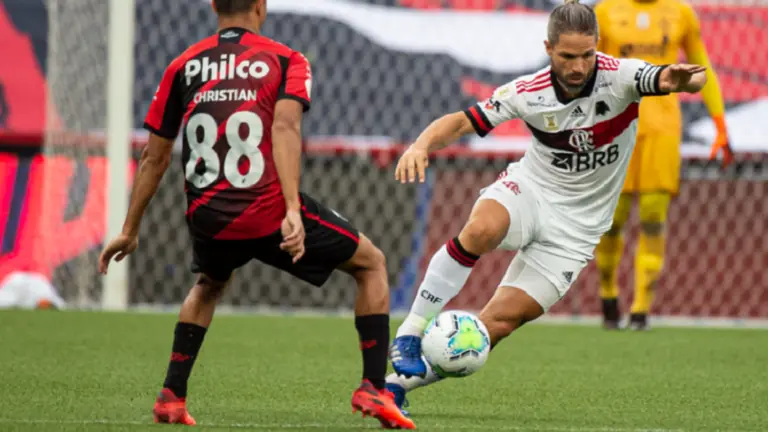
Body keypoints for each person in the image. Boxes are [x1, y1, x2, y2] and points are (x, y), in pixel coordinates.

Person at [97, 0, 415, 428]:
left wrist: (130, 229)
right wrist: (291, 210)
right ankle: (373, 388)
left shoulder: (182, 65)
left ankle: (172, 395)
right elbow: (284, 127)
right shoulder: (286, 59)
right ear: (261, 6)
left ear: (213, 5)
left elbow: (154, 158)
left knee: (209, 284)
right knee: (371, 263)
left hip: (207, 217)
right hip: (265, 212)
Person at [385, 0, 707, 410]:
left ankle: (394, 388)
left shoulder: (622, 77)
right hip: (532, 191)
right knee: (482, 229)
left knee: (494, 327)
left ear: (598, 47)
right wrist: (421, 145)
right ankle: (411, 331)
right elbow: (464, 121)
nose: (578, 66)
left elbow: (662, 77)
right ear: (549, 48)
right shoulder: (527, 92)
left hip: (578, 229)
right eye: (568, 56)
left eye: (587, 55)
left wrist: (682, 80)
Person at [593, 0, 731, 330]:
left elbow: (702, 67)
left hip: (663, 129)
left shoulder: (681, 13)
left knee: (654, 216)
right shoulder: (605, 12)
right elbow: (589, 70)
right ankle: (608, 292)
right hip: (616, 125)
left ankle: (641, 308)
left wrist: (720, 123)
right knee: (613, 219)